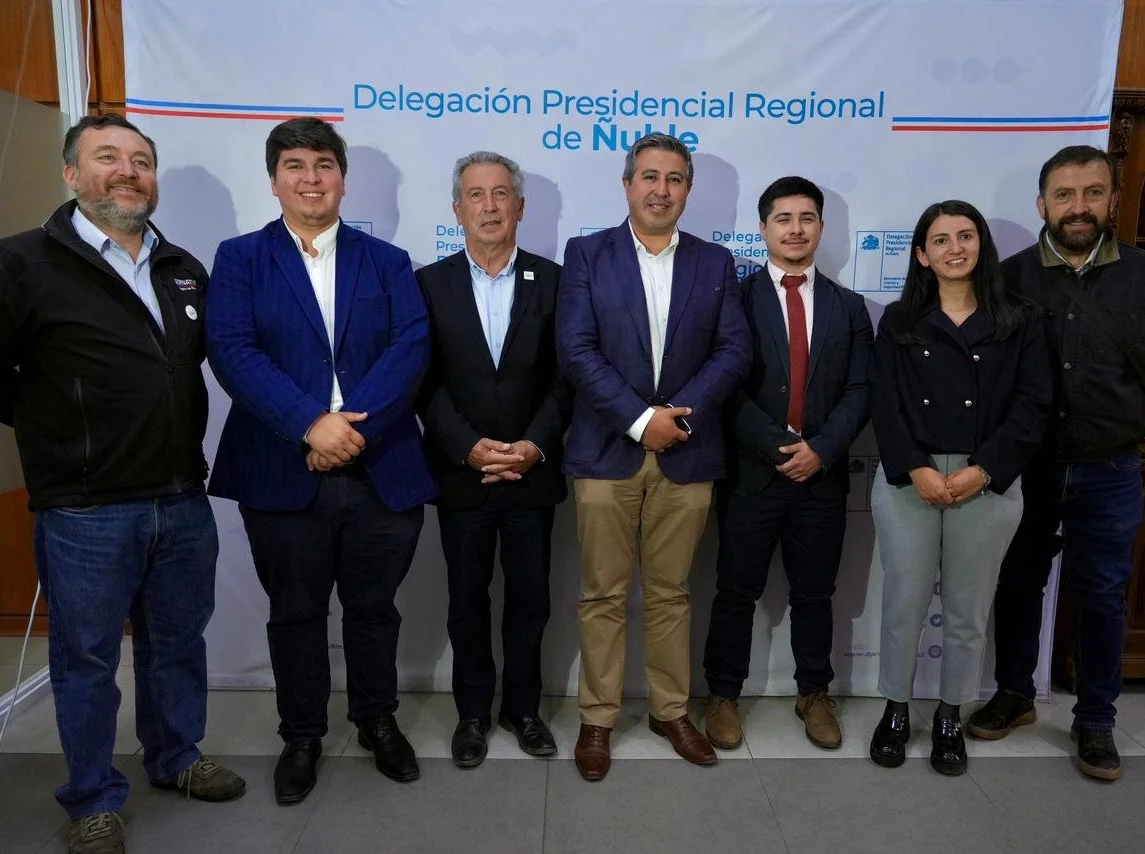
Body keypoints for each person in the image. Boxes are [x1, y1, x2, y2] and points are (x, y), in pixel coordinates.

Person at [0, 114, 245, 854]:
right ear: (72, 174)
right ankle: (92, 797)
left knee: (177, 643)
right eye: (107, 157)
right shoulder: (20, 263)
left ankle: (175, 756)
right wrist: (54, 431)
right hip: (85, 510)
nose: (127, 171)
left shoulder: (181, 268)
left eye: (141, 160)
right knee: (86, 660)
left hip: (181, 496)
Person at [205, 118, 437, 804]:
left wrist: (348, 431)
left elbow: (411, 346)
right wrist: (311, 424)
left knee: (374, 609)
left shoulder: (386, 261)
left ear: (342, 178)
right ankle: (302, 735)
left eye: (324, 165)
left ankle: (376, 721)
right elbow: (233, 350)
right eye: (296, 166)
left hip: (379, 465)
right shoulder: (241, 258)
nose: (312, 178)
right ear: (274, 180)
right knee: (295, 613)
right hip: (282, 467)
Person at [968, 146, 1145, 781]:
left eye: (1093, 192)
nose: (1079, 207)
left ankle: (1095, 718)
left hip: (1110, 467)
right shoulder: (1008, 278)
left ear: (1112, 199)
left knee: (1101, 593)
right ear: (1043, 205)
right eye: (1064, 195)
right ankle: (1014, 694)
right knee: (1018, 583)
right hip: (1027, 465)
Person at [556, 132, 751, 781]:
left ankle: (671, 711)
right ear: (627, 184)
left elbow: (733, 351)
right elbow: (576, 349)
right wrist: (642, 421)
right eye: (649, 177)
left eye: (674, 179)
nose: (661, 190)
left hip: (687, 453)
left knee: (672, 594)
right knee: (602, 595)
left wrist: (678, 418)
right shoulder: (586, 254)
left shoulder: (715, 262)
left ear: (688, 190)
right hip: (606, 451)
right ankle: (598, 718)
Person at [868, 200, 1052, 776]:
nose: (955, 248)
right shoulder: (899, 320)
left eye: (965, 236)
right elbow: (885, 403)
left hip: (986, 478)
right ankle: (896, 709)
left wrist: (985, 469)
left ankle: (951, 714)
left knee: (969, 608)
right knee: (904, 601)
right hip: (910, 476)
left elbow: (1034, 403)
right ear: (922, 254)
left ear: (981, 245)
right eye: (941, 239)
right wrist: (916, 468)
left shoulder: (1019, 319)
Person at [701, 176, 873, 752]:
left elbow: (861, 389)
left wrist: (821, 449)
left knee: (815, 593)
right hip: (753, 475)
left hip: (821, 476)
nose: (795, 229)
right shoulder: (734, 299)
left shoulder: (849, 307)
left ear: (821, 227)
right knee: (735, 591)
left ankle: (813, 693)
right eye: (783, 219)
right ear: (763, 228)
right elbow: (724, 385)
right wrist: (778, 447)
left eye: (807, 218)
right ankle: (722, 694)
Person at [414, 151, 570, 768]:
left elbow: (566, 378)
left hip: (532, 473)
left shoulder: (555, 281)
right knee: (466, 601)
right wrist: (466, 444)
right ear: (457, 209)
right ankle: (473, 713)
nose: (489, 206)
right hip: (463, 474)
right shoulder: (429, 283)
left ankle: (523, 710)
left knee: (531, 601)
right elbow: (422, 380)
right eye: (475, 195)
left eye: (501, 194)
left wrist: (533, 446)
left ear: (520, 207)